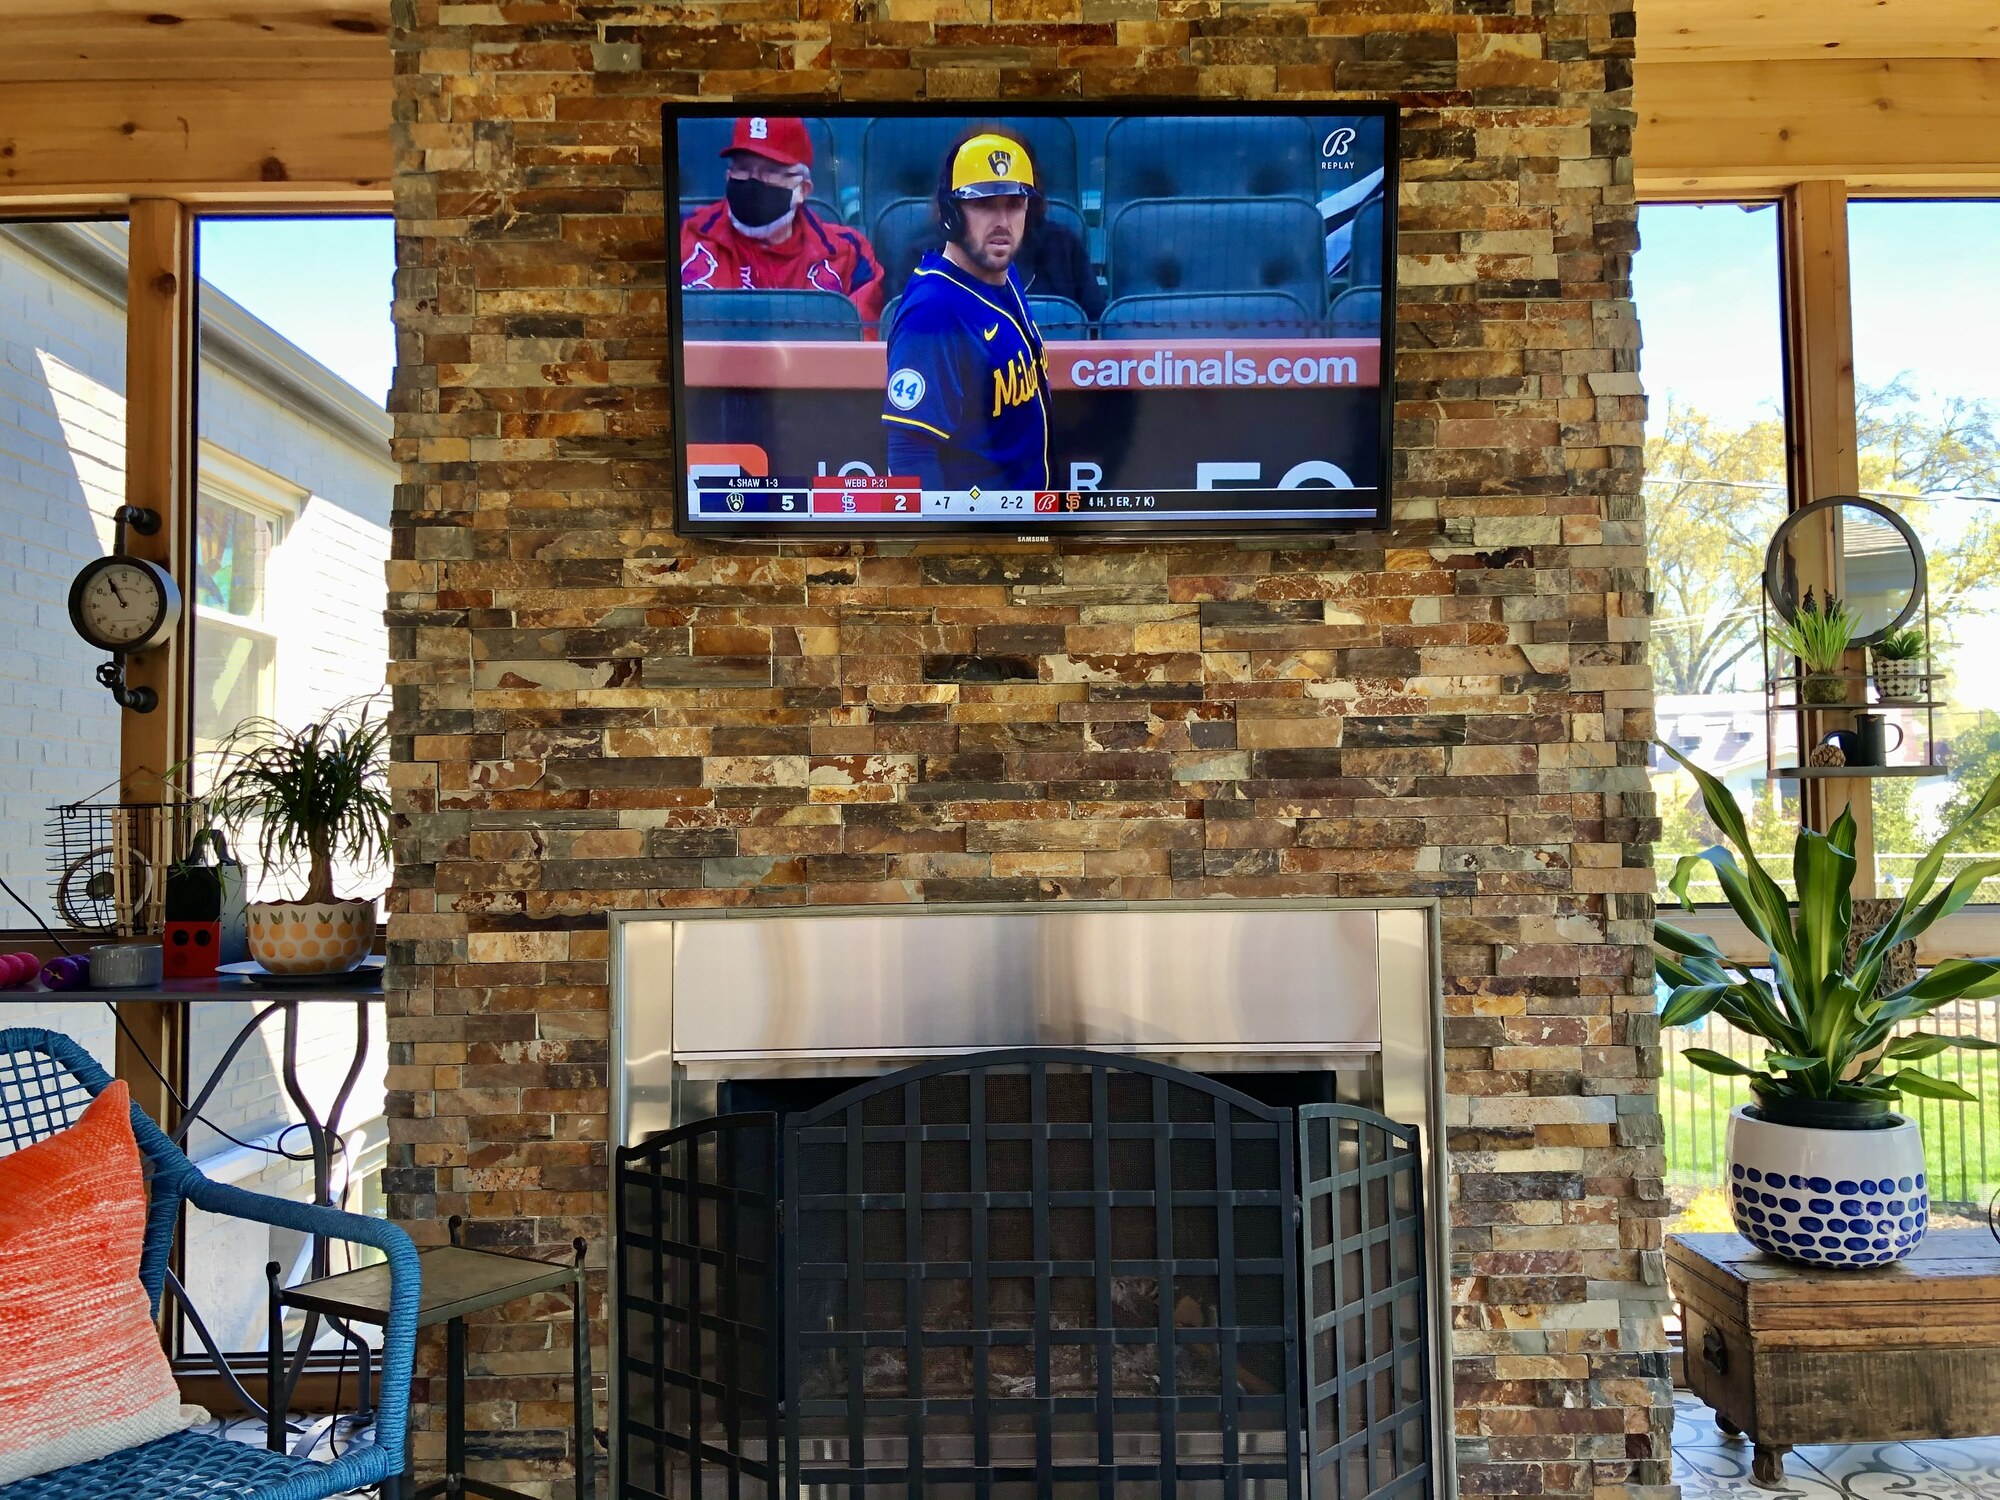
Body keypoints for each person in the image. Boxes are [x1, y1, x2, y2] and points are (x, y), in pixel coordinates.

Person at [880, 131, 1051, 492]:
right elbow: (909, 456)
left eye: (1014, 204)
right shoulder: (933, 311)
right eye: (985, 205)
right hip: (980, 532)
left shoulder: (1003, 275)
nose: (1002, 222)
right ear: (951, 214)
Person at [680, 116, 886, 330]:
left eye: (770, 172)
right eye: (743, 169)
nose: (754, 181)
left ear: (802, 189)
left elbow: (862, 347)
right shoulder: (682, 234)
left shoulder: (850, 253)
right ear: (728, 176)